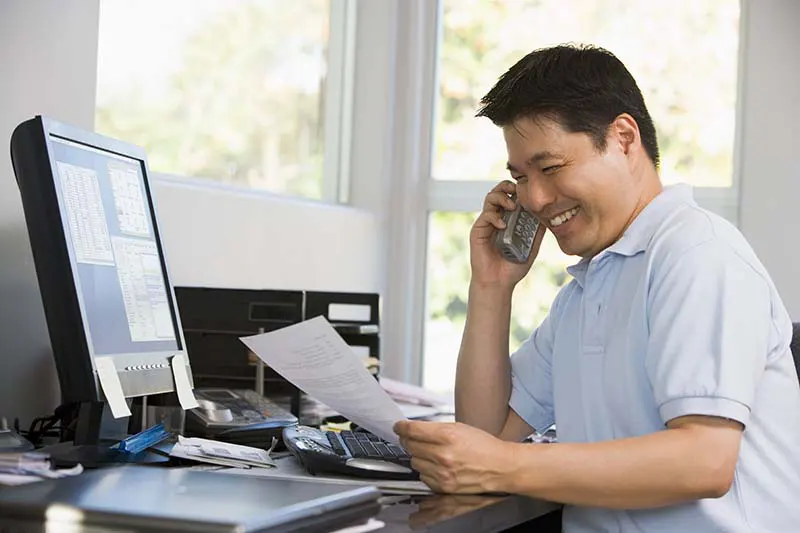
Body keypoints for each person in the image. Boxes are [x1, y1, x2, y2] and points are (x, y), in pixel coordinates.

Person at [394, 44, 800, 532]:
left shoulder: (698, 254)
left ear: (624, 139)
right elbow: (485, 434)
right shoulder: (585, 292)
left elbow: (705, 461)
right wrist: (491, 286)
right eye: (520, 177)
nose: (535, 199)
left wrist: (504, 465)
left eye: (550, 168)